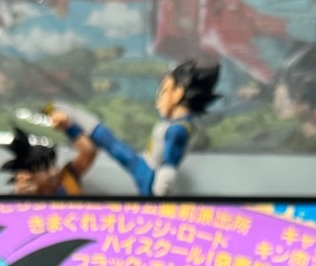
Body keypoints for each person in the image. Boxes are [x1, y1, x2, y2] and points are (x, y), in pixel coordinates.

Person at [66, 59, 221, 197]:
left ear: (177, 94)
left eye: (163, 92)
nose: (158, 102)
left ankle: (76, 121)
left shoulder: (178, 130)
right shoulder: (177, 124)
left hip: (150, 176)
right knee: (114, 145)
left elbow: (169, 164)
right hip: (145, 166)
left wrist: (162, 187)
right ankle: (77, 121)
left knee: (113, 145)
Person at [2, 123, 97, 196]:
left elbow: (88, 151)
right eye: (45, 168)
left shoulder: (67, 177)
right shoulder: (24, 196)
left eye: (53, 164)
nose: (53, 172)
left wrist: (68, 126)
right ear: (29, 176)